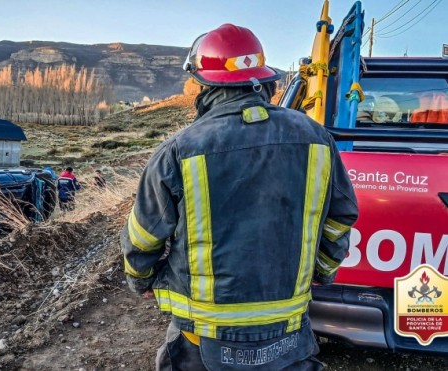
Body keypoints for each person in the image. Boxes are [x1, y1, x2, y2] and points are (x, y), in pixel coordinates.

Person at [120, 23, 358, 370]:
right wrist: (321, 270)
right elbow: (339, 218)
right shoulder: (317, 139)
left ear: (205, 85)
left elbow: (143, 236)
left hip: (203, 339)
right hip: (288, 332)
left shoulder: (179, 150)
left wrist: (140, 279)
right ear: (263, 80)